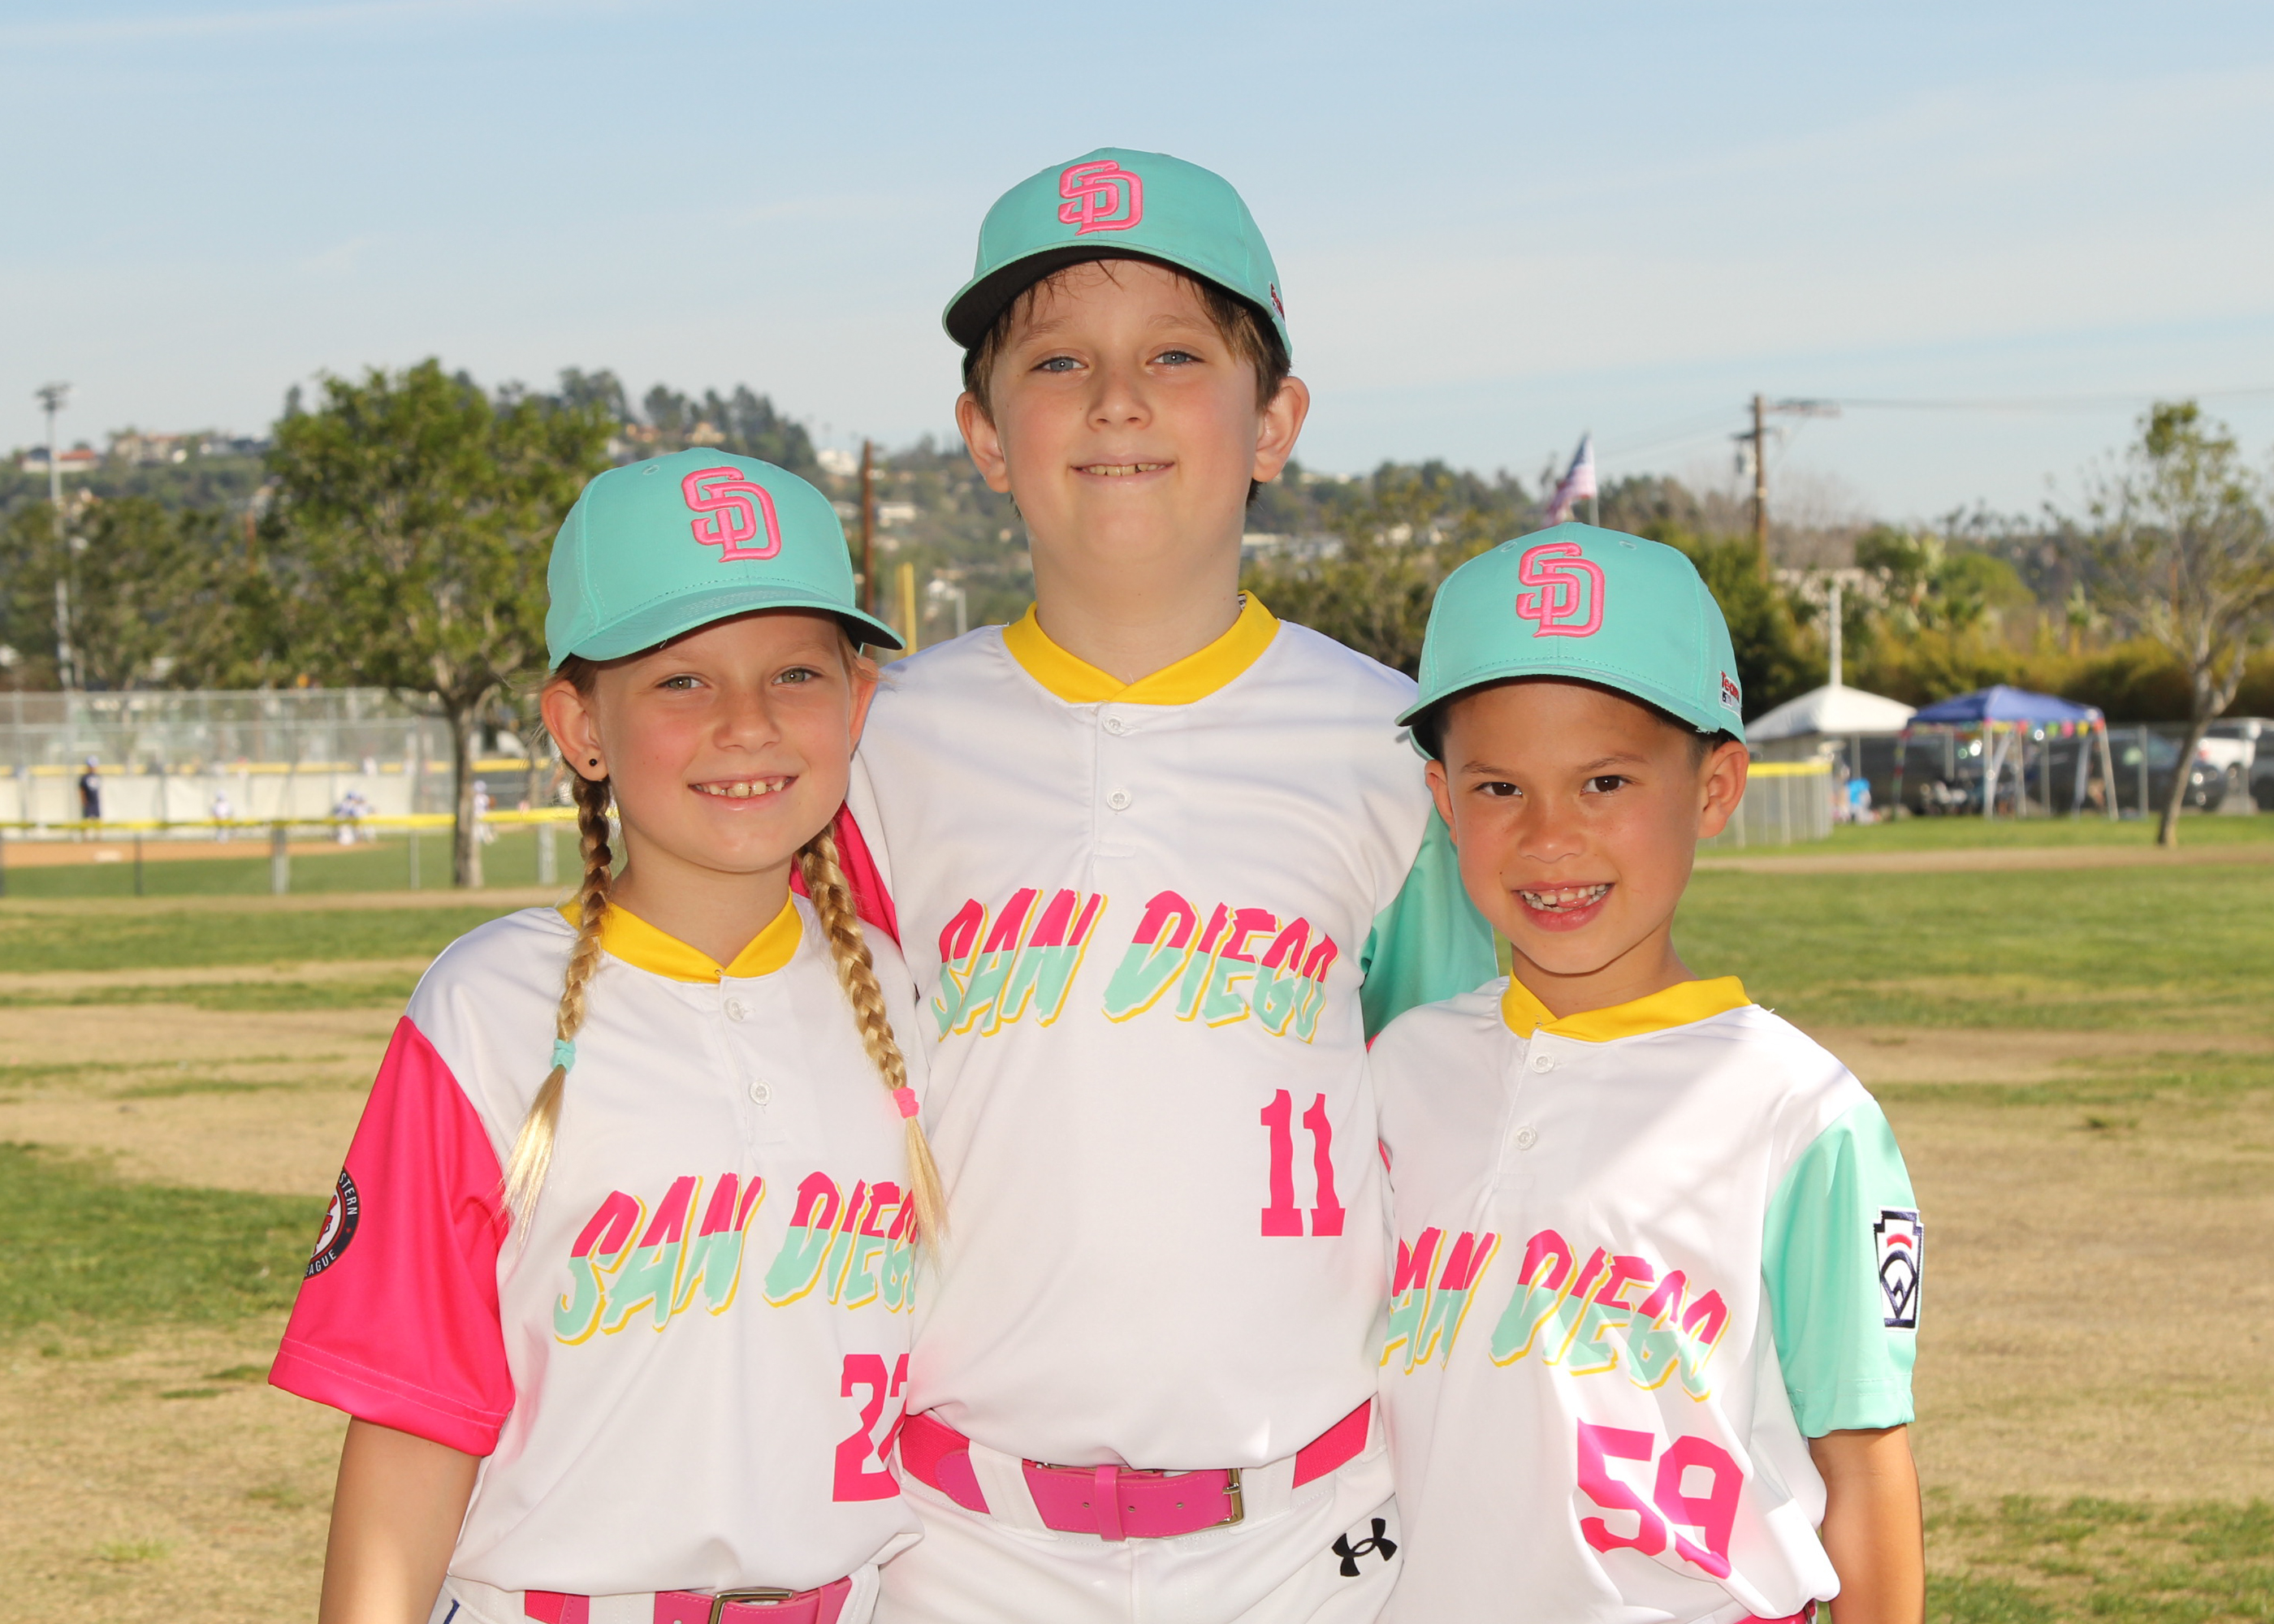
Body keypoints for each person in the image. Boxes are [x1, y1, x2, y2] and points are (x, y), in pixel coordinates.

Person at [842, 149, 1496, 1624]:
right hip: (954, 1539)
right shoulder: (882, 745)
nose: (1118, 401)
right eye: (1058, 361)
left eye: (1178, 357)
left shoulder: (1394, 748)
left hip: (1307, 1537)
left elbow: (1464, 1136)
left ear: (1275, 423)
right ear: (984, 435)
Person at [269, 450, 943, 1624]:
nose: (746, 725)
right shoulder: (489, 1006)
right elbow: (417, 1420)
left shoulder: (896, 990)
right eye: (682, 682)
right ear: (581, 726)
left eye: (795, 673)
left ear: (857, 703)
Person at [1370, 525, 1925, 1624]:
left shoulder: (1800, 1112)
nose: (1550, 837)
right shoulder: (1401, 1069)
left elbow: (1864, 1469)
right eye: (1499, 788)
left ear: (1715, 787)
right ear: (1442, 798)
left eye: (1605, 781)